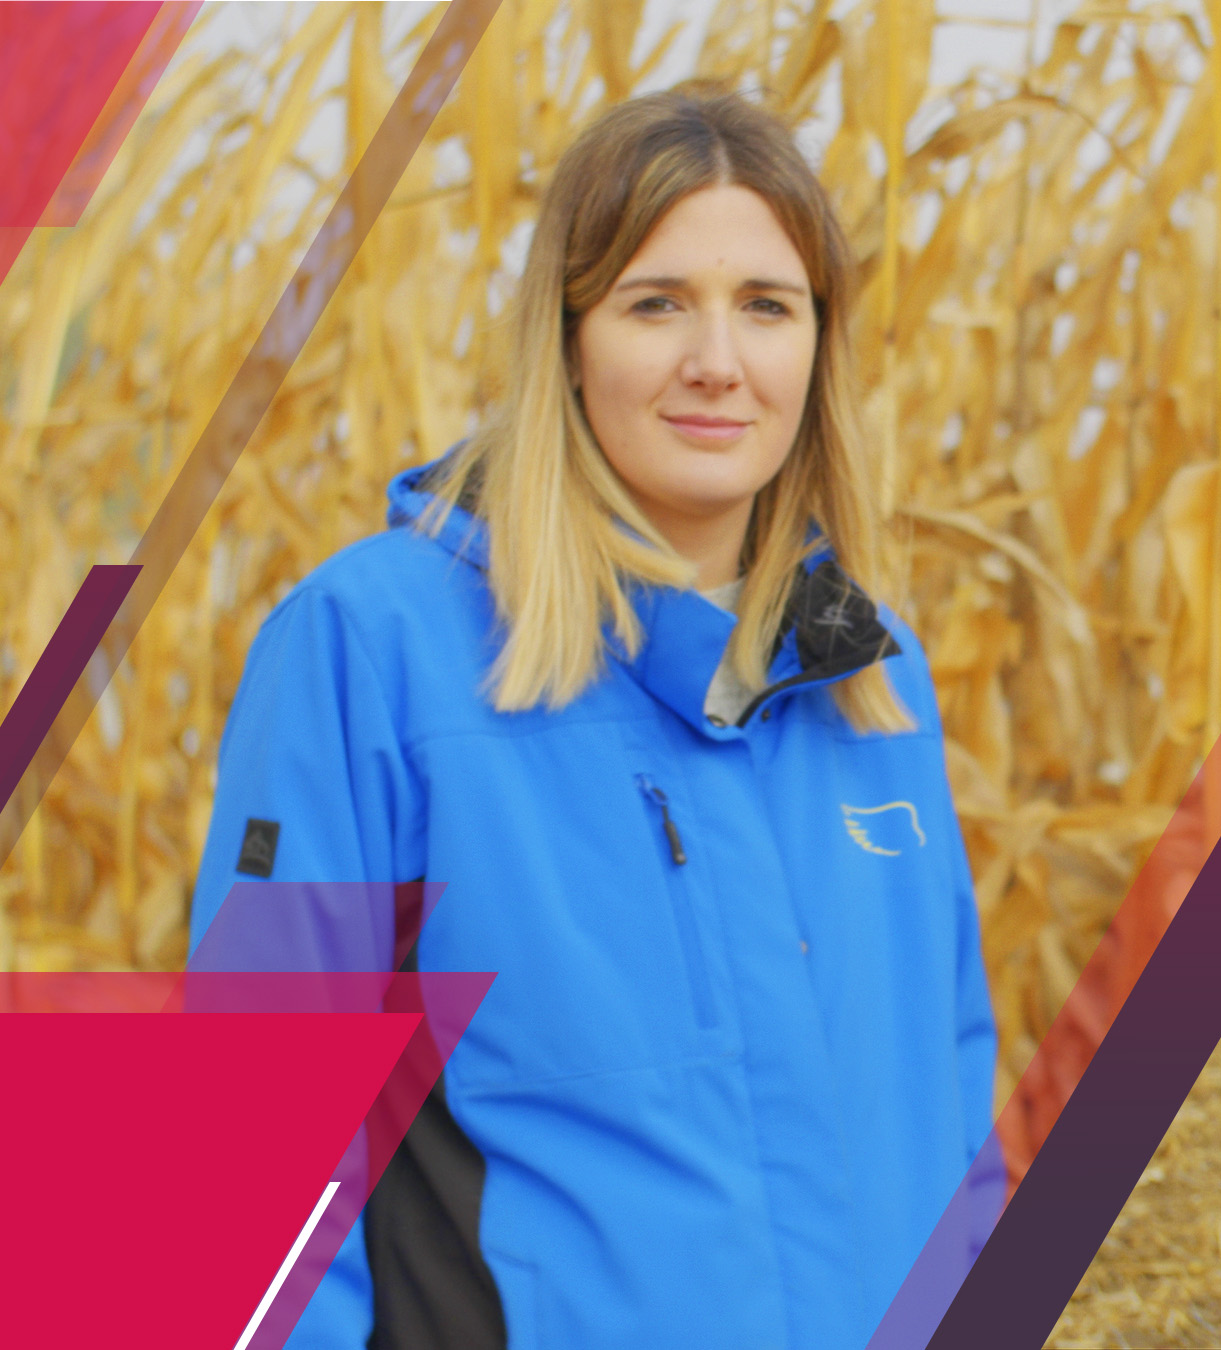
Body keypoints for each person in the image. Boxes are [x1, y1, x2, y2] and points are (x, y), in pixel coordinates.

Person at [188, 89, 996, 1349]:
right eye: (656, 302)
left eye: (767, 308)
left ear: (817, 352)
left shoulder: (874, 682)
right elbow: (249, 1165)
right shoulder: (371, 647)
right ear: (568, 341)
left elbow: (949, 1122)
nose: (717, 360)